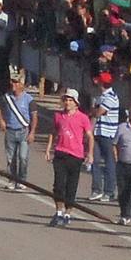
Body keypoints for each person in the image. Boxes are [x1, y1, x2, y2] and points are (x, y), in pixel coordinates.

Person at [45, 88, 93, 228]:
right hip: (60, 152)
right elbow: (53, 132)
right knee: (58, 185)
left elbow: (89, 136)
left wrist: (90, 153)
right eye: (65, 100)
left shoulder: (83, 118)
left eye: (70, 100)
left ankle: (68, 212)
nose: (67, 102)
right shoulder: (58, 116)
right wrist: (48, 148)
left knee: (71, 185)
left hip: (75, 155)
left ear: (76, 103)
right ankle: (58, 211)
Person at [0, 72, 37, 190]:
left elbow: (34, 116)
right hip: (10, 130)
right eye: (12, 81)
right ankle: (12, 179)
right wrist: (1, 121)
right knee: (11, 158)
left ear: (21, 84)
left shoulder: (29, 99)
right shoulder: (7, 97)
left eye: (16, 82)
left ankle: (22, 179)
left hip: (23, 130)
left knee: (23, 157)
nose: (13, 84)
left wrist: (32, 132)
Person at [88, 71, 119, 203]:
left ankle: (109, 191)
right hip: (98, 132)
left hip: (108, 133)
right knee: (94, 160)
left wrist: (93, 110)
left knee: (109, 162)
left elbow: (98, 112)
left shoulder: (111, 97)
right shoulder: (101, 97)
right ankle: (96, 189)